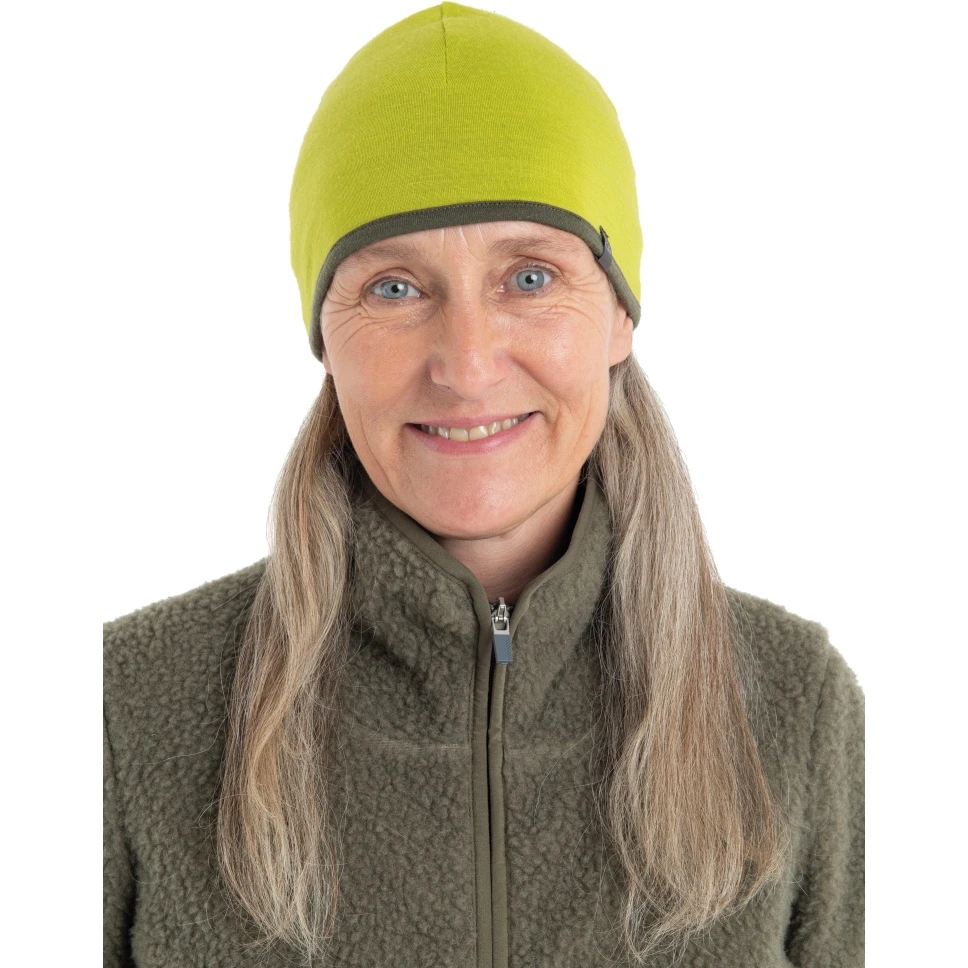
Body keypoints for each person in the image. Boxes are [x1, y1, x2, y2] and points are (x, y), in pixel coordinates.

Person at [103, 3, 864, 966]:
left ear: (620, 316)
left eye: (530, 278)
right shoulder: (125, 707)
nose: (465, 366)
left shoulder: (796, 707)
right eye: (394, 287)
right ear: (324, 335)